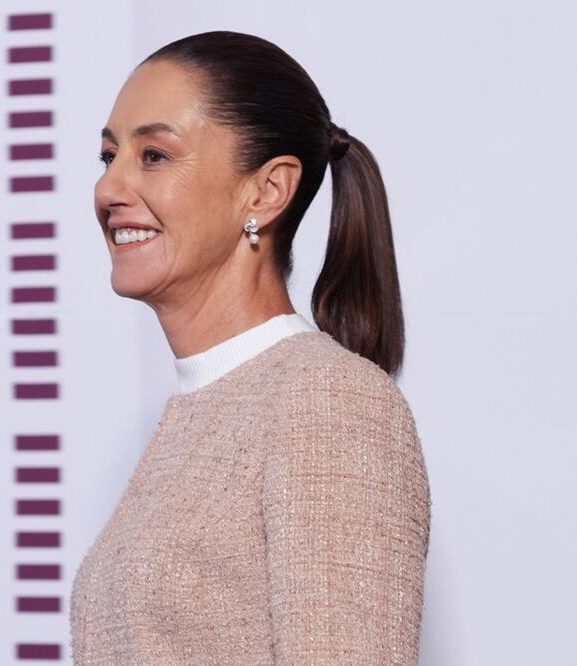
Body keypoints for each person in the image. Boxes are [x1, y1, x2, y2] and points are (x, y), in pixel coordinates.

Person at [69, 31, 431, 664]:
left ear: (266, 191)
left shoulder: (329, 401)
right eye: (108, 156)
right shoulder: (204, 408)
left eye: (154, 155)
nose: (108, 189)